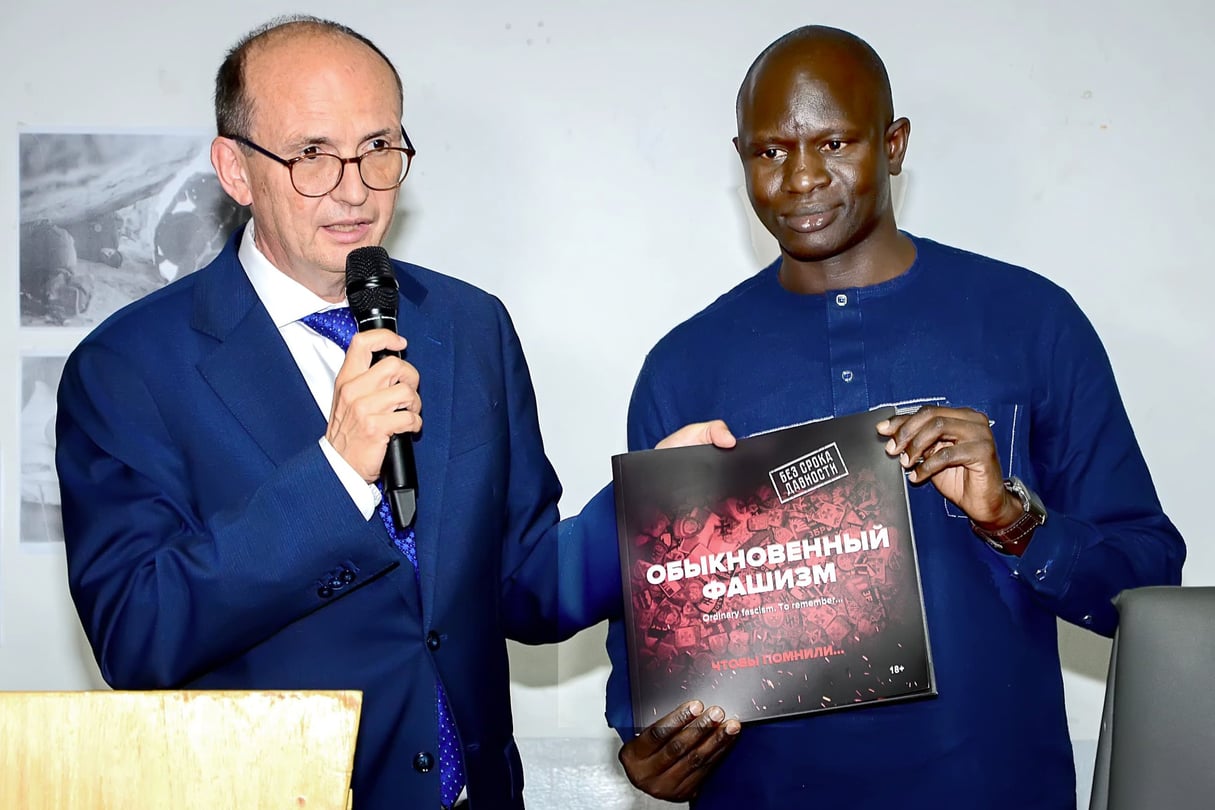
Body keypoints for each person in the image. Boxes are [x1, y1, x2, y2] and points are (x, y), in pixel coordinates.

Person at [55, 16, 727, 810]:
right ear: (234, 169)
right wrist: (337, 472)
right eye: (311, 154)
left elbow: (522, 585)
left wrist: (648, 509)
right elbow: (139, 634)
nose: (354, 187)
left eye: (379, 148)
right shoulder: (129, 368)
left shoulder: (468, 326)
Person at [606, 25, 1185, 809]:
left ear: (894, 144)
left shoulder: (1029, 321)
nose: (801, 177)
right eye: (769, 152)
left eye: (834, 142)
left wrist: (1013, 519)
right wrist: (646, 747)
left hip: (990, 788)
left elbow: (1145, 583)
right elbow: (651, 632)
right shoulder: (683, 367)